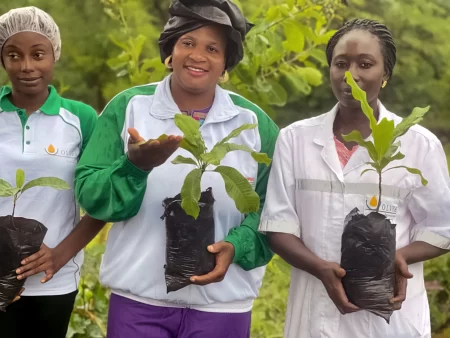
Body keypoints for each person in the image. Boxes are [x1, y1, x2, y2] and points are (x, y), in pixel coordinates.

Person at [74, 0, 279, 337]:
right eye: (187, 43)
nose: (198, 56)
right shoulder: (129, 108)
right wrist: (133, 167)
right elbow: (91, 192)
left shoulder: (255, 124)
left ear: (226, 61)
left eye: (213, 48)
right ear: (170, 49)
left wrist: (237, 245)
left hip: (223, 307)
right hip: (139, 305)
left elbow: (275, 211)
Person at [259, 18, 450, 338]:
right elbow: (279, 225)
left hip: (390, 319)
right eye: (341, 64)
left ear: (385, 74)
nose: (351, 75)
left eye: (366, 64)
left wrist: (399, 256)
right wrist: (320, 269)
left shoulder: (418, 144)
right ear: (330, 70)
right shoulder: (295, 139)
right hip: (315, 314)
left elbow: (442, 228)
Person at [0, 7, 106, 338]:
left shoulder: (82, 119)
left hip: (53, 279)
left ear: (54, 55)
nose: (27, 66)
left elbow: (103, 199)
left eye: (38, 54)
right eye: (14, 55)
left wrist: (59, 255)